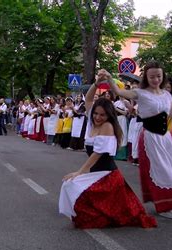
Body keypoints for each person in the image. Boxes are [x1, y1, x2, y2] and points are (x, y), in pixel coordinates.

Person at [59, 70, 157, 229]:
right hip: (97, 174)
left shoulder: (107, 127)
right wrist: (97, 82)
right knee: (70, 186)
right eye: (96, 114)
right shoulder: (93, 120)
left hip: (107, 176)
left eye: (102, 115)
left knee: (72, 186)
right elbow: (90, 98)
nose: (97, 117)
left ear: (108, 116)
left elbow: (97, 154)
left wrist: (80, 172)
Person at [109, 62, 172, 220]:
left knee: (171, 171)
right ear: (146, 77)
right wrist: (109, 79)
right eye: (152, 76)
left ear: (163, 77)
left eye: (158, 76)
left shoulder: (167, 95)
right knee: (160, 172)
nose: (155, 79)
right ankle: (164, 206)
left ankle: (167, 203)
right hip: (150, 137)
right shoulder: (140, 93)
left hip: (165, 139)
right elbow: (119, 91)